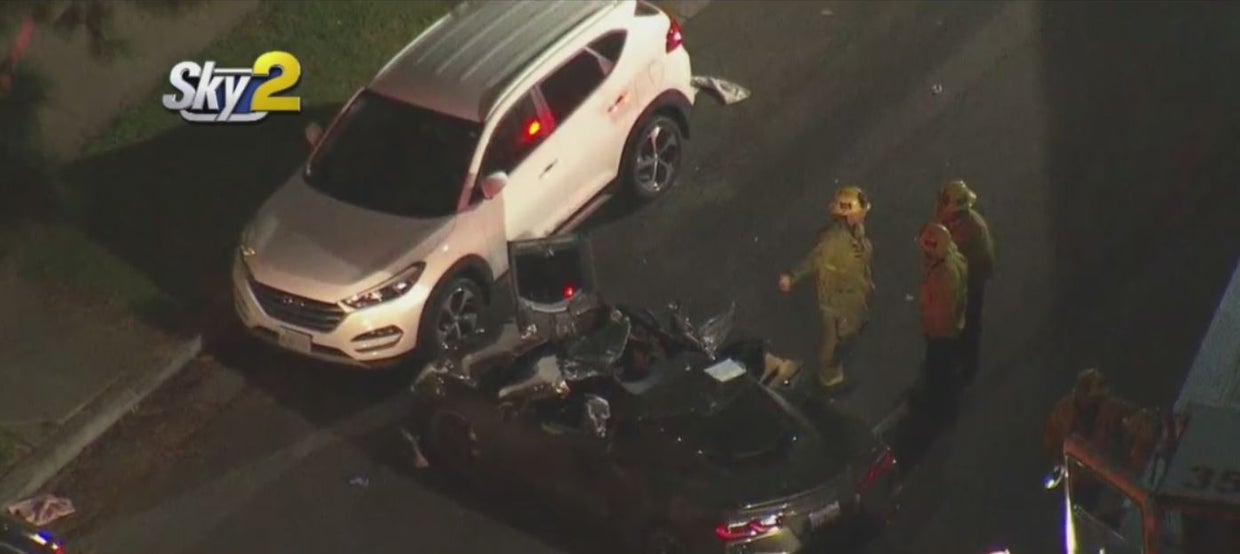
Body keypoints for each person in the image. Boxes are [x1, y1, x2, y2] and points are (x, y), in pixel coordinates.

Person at [778, 186, 875, 395]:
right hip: (836, 301)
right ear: (849, 214)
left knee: (848, 333)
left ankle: (833, 371)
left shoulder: (855, 232)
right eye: (861, 210)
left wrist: (867, 283)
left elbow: (860, 262)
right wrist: (792, 277)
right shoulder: (832, 241)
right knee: (833, 342)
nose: (864, 213)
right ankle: (828, 380)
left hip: (853, 296)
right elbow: (814, 260)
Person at [933, 179, 994, 386]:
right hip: (960, 280)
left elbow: (962, 262)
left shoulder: (970, 231)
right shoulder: (954, 222)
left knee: (968, 325)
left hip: (970, 283)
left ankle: (967, 368)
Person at [916, 222, 968, 421]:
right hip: (952, 328)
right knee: (947, 366)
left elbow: (938, 313)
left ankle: (940, 409)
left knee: (940, 369)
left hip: (942, 334)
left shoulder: (942, 276)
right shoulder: (955, 261)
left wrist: (931, 332)